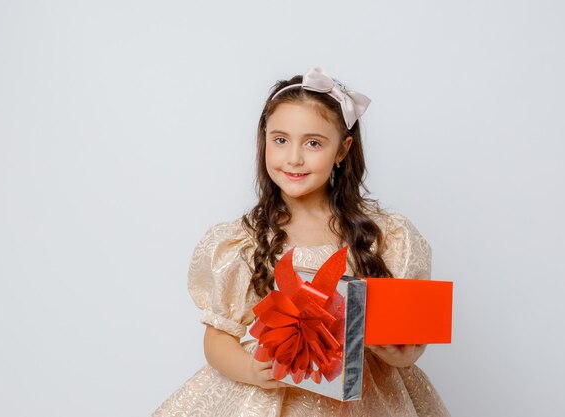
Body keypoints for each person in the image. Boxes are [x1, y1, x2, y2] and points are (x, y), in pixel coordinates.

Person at [151, 67, 450, 417]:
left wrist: (400, 354)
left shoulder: (384, 236)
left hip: (363, 401)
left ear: (342, 150)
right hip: (272, 396)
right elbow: (218, 337)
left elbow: (411, 338)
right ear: (264, 139)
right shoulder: (242, 242)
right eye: (280, 140)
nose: (294, 158)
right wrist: (250, 370)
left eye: (313, 143)